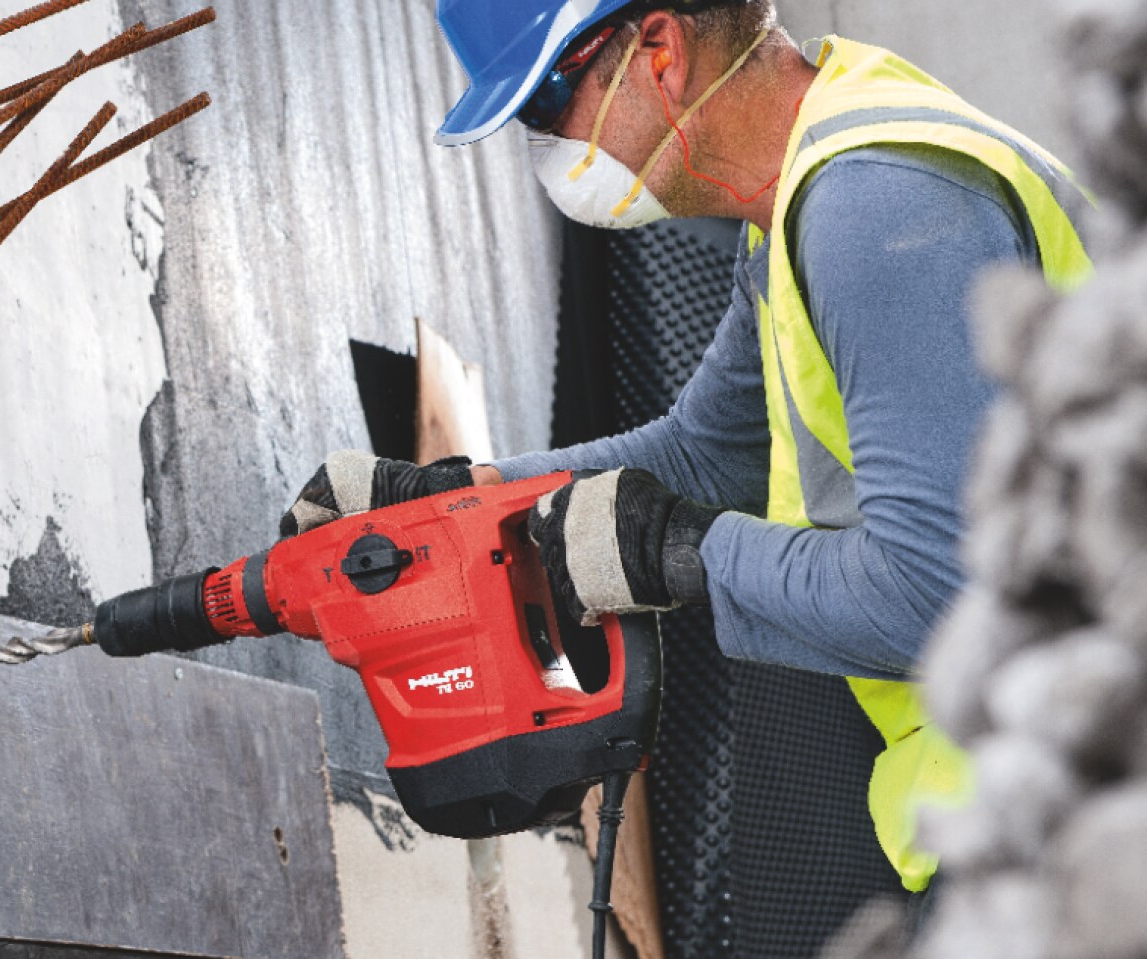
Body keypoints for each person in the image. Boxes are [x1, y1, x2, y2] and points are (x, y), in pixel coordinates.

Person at [279, 0, 1095, 895]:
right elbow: (708, 456)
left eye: (544, 112)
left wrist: (680, 553)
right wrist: (450, 497)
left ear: (657, 50)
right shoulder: (806, 196)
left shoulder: (874, 205)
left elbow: (939, 601)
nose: (544, 152)